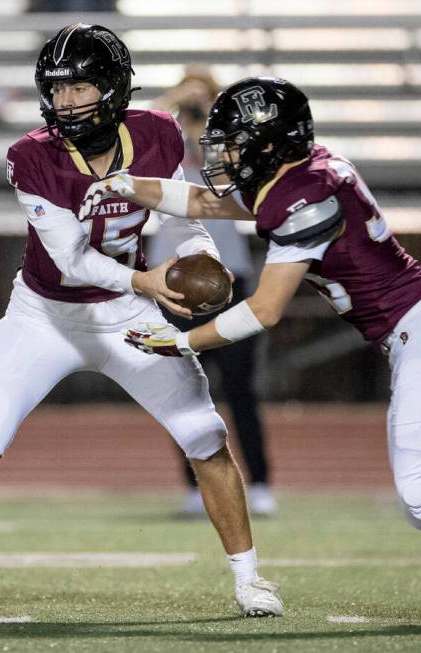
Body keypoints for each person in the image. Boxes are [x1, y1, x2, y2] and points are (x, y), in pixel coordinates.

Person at [80, 76, 421, 626]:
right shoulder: (299, 174)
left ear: (271, 143)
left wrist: (181, 340)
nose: (225, 152)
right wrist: (127, 186)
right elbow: (203, 200)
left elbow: (265, 310)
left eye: (237, 141)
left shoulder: (304, 197)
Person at [0, 25, 282, 620]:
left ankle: (249, 580)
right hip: (44, 315)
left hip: (129, 318)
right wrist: (149, 280)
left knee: (206, 439)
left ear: (113, 87)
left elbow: (177, 222)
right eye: (57, 90)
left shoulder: (158, 133)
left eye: (80, 86)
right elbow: (69, 261)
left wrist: (205, 265)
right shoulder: (30, 154)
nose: (66, 102)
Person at [147, 69, 276, 517]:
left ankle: (259, 483)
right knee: (180, 390)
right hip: (174, 283)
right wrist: (174, 103)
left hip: (231, 279)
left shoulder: (226, 144)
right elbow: (134, 135)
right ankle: (194, 484)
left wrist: (209, 125)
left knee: (240, 389)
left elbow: (230, 181)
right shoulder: (162, 145)